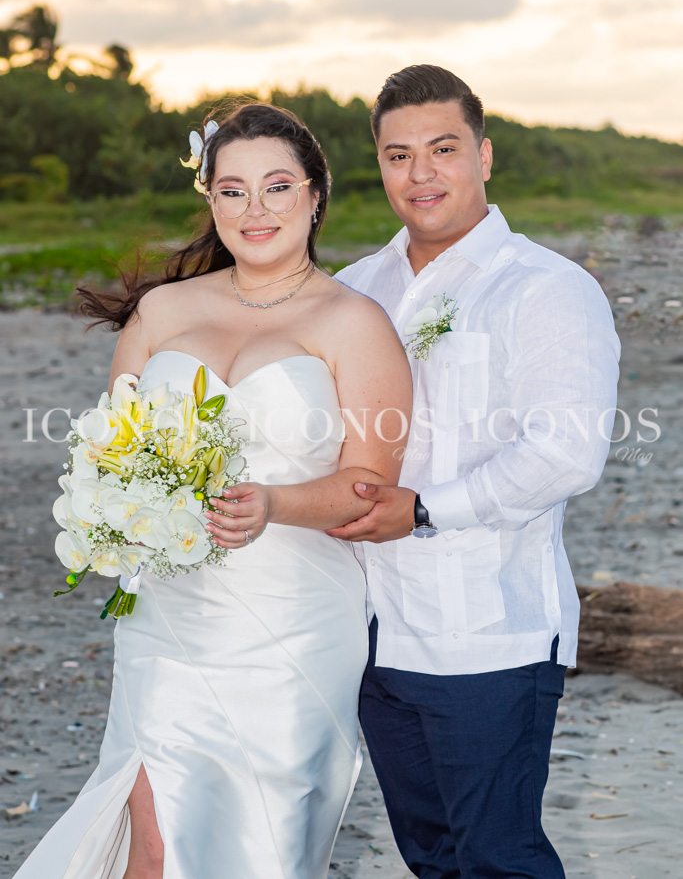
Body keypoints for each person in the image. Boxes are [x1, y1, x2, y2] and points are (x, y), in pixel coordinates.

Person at [16, 103, 412, 879]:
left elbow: (369, 486)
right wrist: (116, 516)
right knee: (155, 846)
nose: (254, 209)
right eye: (232, 191)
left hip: (294, 618)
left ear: (315, 195)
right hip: (170, 613)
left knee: (263, 847)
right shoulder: (162, 311)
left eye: (276, 187)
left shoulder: (354, 321)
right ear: (211, 200)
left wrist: (273, 504)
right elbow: (112, 449)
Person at [331, 64, 620, 878]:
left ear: (484, 156)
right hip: (372, 635)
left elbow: (565, 453)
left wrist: (424, 510)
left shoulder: (546, 289)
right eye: (397, 155)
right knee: (431, 859)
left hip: (488, 637)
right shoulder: (354, 289)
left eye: (443, 148)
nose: (420, 173)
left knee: (498, 860)